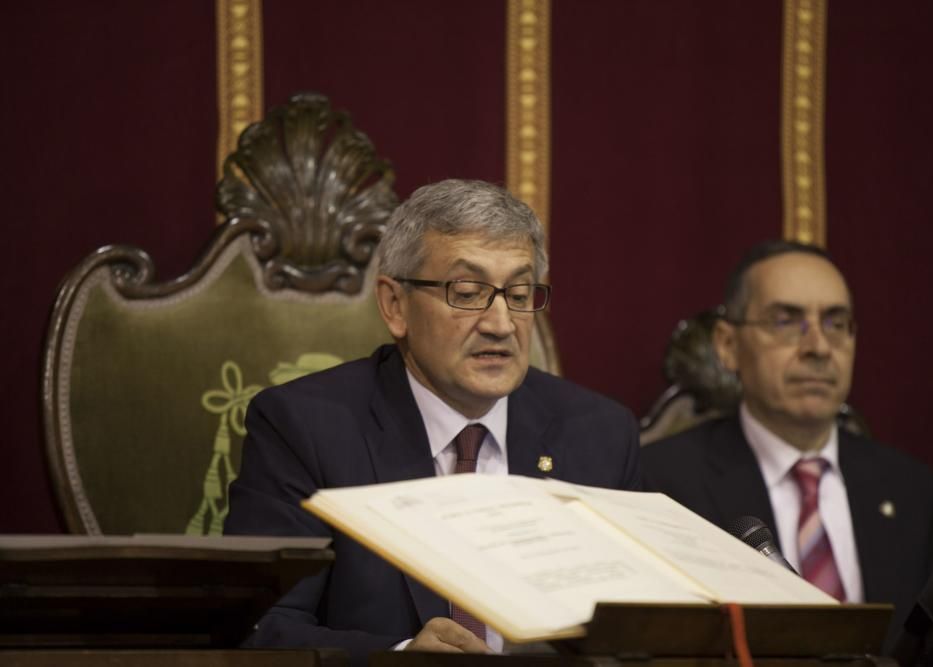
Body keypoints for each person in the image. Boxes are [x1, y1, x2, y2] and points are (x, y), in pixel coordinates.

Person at [225, 179, 640, 662]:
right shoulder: (304, 427)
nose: (501, 324)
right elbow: (263, 628)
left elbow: (633, 635)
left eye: (520, 294)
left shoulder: (601, 433)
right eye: (467, 293)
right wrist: (399, 657)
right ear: (395, 305)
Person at [641, 240, 933, 644]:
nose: (819, 347)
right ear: (728, 345)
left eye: (836, 323)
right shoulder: (663, 486)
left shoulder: (914, 492)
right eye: (786, 321)